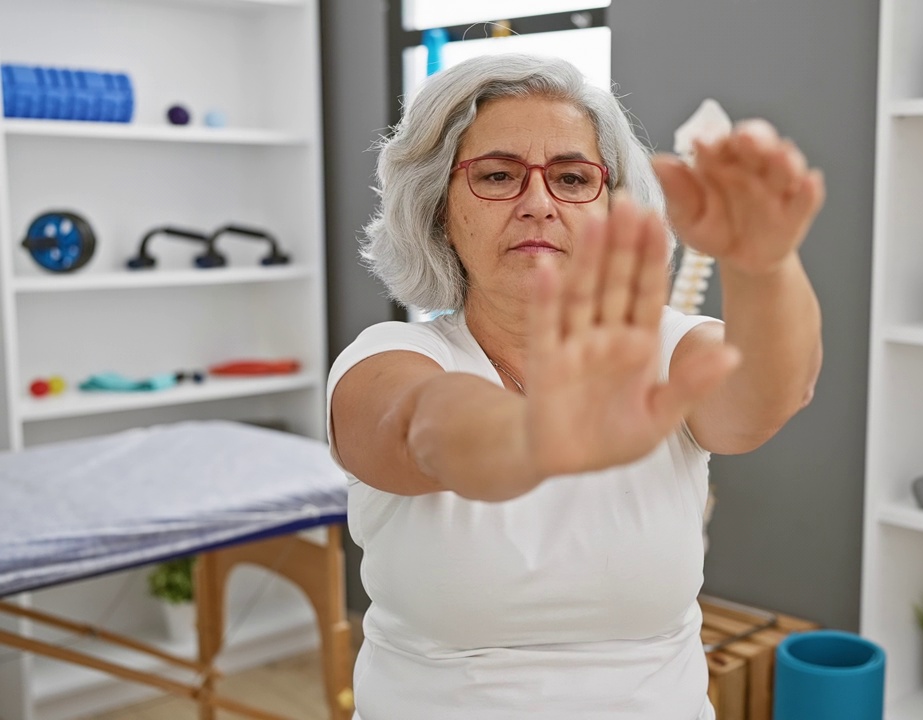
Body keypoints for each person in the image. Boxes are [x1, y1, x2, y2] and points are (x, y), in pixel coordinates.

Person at [327, 53, 824, 720]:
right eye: (498, 175)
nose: (538, 203)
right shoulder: (389, 357)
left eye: (571, 177)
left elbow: (766, 395)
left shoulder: (665, 345)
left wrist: (765, 266)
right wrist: (538, 434)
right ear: (441, 209)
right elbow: (422, 429)